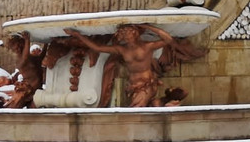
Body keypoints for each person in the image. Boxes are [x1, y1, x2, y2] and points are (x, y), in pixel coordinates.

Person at [65, 23, 203, 107]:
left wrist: (148, 27)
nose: (126, 37)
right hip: (133, 86)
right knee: (142, 107)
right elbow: (98, 48)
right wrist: (78, 35)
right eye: (124, 35)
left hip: (146, 84)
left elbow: (168, 39)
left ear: (136, 34)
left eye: (129, 34)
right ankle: (158, 106)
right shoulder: (122, 50)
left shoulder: (148, 47)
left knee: (137, 109)